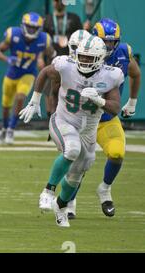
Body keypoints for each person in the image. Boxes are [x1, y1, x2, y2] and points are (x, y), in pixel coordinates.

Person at [40, 19, 142, 219]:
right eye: (105, 42)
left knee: (117, 153)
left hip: (105, 117)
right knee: (77, 160)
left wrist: (132, 102)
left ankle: (105, 189)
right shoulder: (82, 55)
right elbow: (53, 81)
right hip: (77, 118)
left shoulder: (123, 53)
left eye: (113, 42)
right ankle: (67, 203)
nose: (109, 47)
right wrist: (51, 114)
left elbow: (135, 73)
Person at [20, 35, 123, 227]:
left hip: (88, 130)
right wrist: (34, 100)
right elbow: (44, 73)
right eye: (81, 56)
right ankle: (48, 190)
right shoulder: (65, 65)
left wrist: (100, 100)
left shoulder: (111, 75)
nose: (83, 61)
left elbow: (115, 107)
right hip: (63, 120)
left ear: (100, 59)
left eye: (88, 58)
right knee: (72, 149)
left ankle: (61, 206)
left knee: (77, 173)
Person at [0, 12, 54, 145]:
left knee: (20, 97)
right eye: (29, 27)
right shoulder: (13, 34)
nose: (31, 30)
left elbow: (52, 54)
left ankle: (11, 128)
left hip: (28, 74)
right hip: (11, 74)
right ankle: (4, 127)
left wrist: (44, 62)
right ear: (23, 26)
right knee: (5, 105)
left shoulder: (44, 39)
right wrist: (7, 59)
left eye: (34, 28)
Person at [43, 0, 83, 119]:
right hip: (51, 60)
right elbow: (42, 41)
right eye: (56, 1)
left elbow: (82, 38)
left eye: (61, 1)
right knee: (49, 89)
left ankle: (69, 116)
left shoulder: (74, 18)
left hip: (71, 59)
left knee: (69, 89)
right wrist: (40, 58)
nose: (59, 3)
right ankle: (50, 117)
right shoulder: (47, 19)